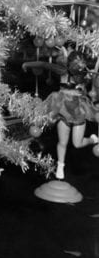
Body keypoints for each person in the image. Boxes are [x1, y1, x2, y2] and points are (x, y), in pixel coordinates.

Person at [44, 49, 99, 180]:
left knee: (77, 144)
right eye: (75, 66)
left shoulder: (86, 75)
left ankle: (93, 139)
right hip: (63, 110)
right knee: (62, 141)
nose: (78, 69)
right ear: (69, 65)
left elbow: (95, 78)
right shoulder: (62, 71)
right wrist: (27, 65)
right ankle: (60, 165)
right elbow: (44, 64)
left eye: (80, 67)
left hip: (78, 111)